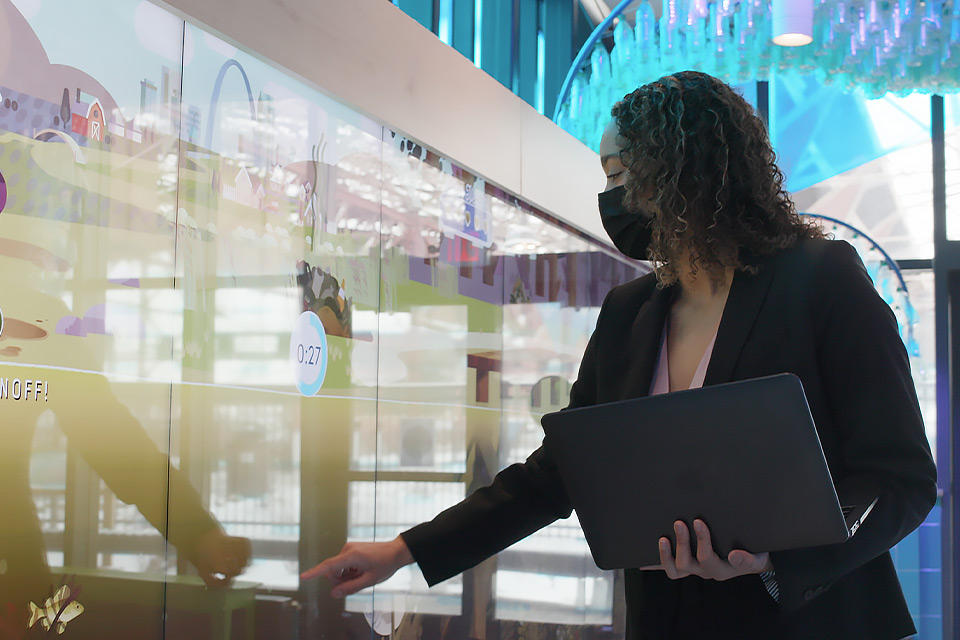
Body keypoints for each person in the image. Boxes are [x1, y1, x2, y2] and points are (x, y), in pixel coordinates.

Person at [301, 71, 937, 639]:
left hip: (813, 620)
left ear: (686, 171)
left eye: (618, 175)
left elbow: (899, 479)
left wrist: (778, 561)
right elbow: (559, 472)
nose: (611, 198)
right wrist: (405, 551)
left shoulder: (820, 279)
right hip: (670, 618)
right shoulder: (630, 311)